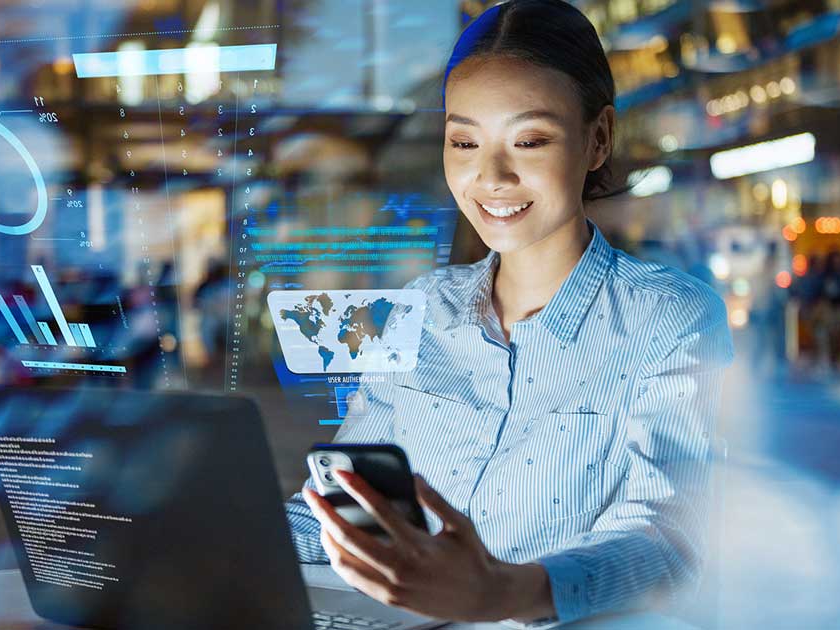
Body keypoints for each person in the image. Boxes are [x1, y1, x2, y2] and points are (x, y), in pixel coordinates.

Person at [283, 0, 734, 624]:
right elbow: (343, 507)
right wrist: (219, 530)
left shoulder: (671, 317)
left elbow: (665, 538)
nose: (490, 176)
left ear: (598, 138)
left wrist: (503, 593)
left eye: (528, 140)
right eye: (464, 140)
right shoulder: (420, 310)